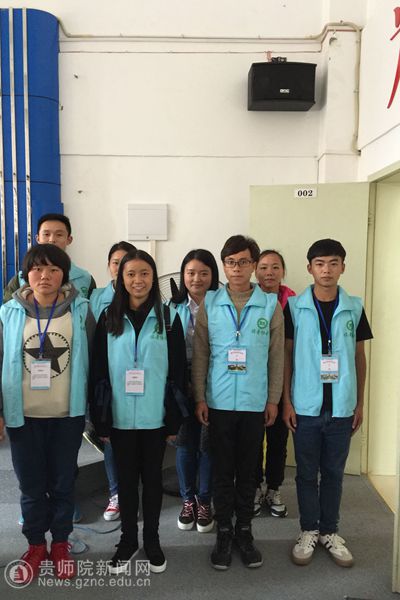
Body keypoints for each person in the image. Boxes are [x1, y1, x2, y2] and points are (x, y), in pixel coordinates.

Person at [89, 249, 187, 575]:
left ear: (153, 277)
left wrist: (173, 419)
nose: (138, 280)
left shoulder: (168, 318)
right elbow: (98, 371)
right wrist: (101, 419)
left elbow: (178, 373)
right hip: (118, 417)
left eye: (144, 273)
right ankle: (128, 540)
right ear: (121, 278)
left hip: (154, 417)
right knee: (126, 483)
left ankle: (152, 540)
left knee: (153, 482)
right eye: (130, 274)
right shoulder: (108, 317)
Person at [0, 244, 94, 581]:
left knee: (63, 483)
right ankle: (36, 544)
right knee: (31, 485)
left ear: (64, 275)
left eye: (54, 269)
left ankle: (61, 544)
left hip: (66, 416)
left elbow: (95, 360)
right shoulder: (9, 312)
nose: (45, 275)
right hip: (23, 417)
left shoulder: (81, 311)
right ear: (27, 274)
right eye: (38, 268)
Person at [192, 235, 284, 570]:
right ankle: (224, 531)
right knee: (221, 471)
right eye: (230, 262)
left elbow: (277, 358)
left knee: (247, 473)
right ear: (224, 265)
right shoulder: (211, 302)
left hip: (253, 403)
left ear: (253, 266)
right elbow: (201, 353)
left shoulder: (270, 305)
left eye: (244, 262)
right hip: (218, 402)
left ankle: (244, 531)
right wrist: (200, 396)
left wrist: (273, 400)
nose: (237, 268)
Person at [283, 238, 372, 568]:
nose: (327, 270)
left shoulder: (354, 307)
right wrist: (286, 401)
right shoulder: (294, 308)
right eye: (320, 264)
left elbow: (359, 357)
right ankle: (309, 530)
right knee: (306, 474)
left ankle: (330, 531)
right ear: (310, 268)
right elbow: (286, 356)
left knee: (334, 474)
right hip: (305, 407)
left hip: (341, 408)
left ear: (343, 267)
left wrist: (359, 403)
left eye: (334, 263)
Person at [170, 249, 219, 533]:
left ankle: (205, 500)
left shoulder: (221, 305)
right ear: (183, 275)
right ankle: (188, 500)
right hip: (180, 382)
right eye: (190, 273)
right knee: (185, 442)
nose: (196, 278)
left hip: (214, 381)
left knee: (208, 443)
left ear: (213, 275)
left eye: (203, 273)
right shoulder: (171, 307)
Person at [89, 241, 135, 522]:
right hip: (108, 379)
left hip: (139, 383)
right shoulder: (96, 298)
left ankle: (132, 494)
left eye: (126, 262)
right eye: (116, 262)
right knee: (110, 441)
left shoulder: (146, 298)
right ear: (109, 266)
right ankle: (116, 493)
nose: (120, 268)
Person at [254, 250, 296, 518]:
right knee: (253, 440)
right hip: (253, 381)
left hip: (283, 380)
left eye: (275, 267)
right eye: (264, 267)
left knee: (279, 439)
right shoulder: (248, 298)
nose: (269, 272)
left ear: (283, 271)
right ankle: (255, 486)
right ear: (255, 271)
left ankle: (274, 488)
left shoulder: (294, 303)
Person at [3, 213, 96, 302]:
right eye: (46, 234)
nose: (52, 240)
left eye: (59, 235)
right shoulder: (20, 279)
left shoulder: (85, 278)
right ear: (38, 238)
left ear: (69, 239)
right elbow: (8, 310)